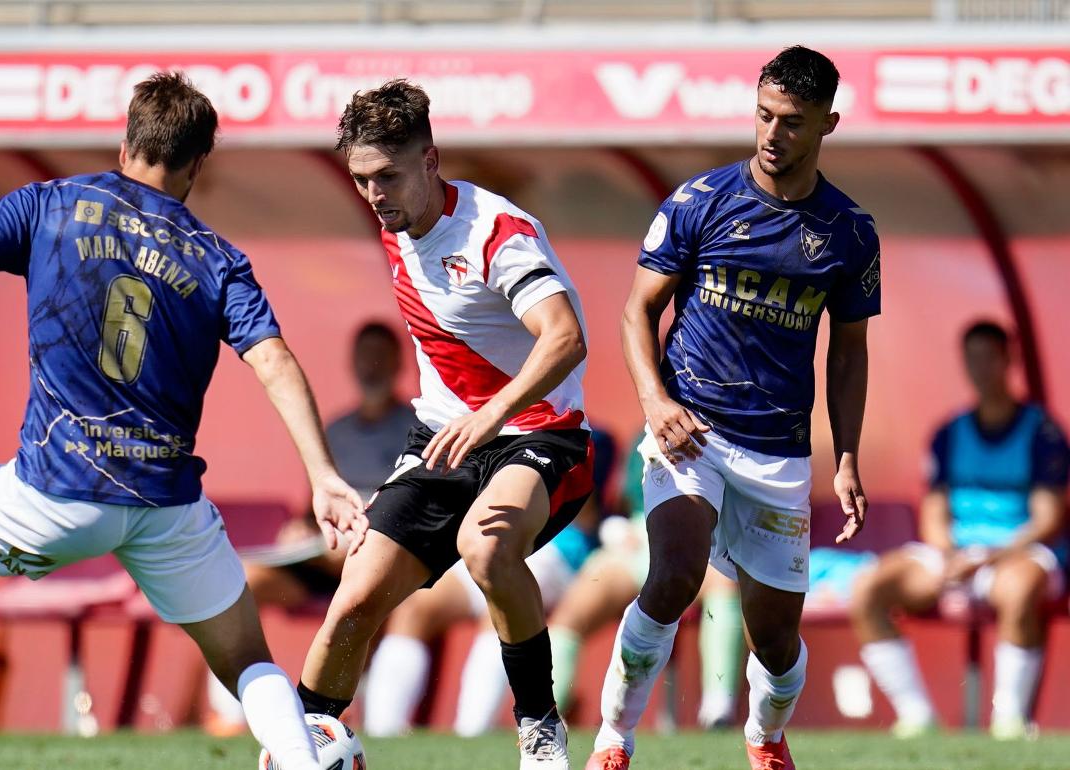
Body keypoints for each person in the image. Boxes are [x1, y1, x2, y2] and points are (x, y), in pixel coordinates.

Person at [0, 72, 365, 770]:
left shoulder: (50, 203)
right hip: (168, 506)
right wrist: (322, 475)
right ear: (199, 162)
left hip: (57, 492)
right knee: (245, 658)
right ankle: (302, 760)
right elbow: (276, 361)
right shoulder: (218, 258)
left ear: (125, 143)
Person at [585, 46, 880, 770]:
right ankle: (614, 739)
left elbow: (847, 352)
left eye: (792, 122)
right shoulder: (699, 202)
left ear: (828, 124)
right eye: (764, 115)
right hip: (691, 430)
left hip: (778, 450)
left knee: (775, 639)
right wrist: (655, 402)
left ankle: (764, 734)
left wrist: (845, 457)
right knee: (676, 573)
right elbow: (636, 313)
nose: (772, 135)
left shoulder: (849, 233)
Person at [295, 79, 593, 769]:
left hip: (540, 434)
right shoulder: (394, 222)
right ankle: (299, 746)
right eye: (362, 179)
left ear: (430, 161)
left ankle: (540, 727)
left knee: (485, 549)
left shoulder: (498, 233)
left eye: (387, 177)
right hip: (441, 442)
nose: (374, 194)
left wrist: (491, 416)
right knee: (355, 600)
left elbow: (564, 337)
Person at [851, 321, 1068, 740]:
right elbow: (934, 511)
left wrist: (990, 557)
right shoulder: (948, 434)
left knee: (1022, 588)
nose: (980, 368)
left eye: (990, 357)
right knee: (868, 589)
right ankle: (917, 717)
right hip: (954, 554)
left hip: (1016, 555)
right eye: (972, 359)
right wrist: (951, 556)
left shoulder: (1043, 433)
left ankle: (1009, 720)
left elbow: (1047, 519)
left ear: (1009, 360)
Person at [204, 320, 414, 737]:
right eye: (363, 355)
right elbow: (313, 503)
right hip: (321, 556)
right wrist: (299, 528)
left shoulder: (415, 426)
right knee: (241, 581)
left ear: (398, 363)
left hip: (379, 552)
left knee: (356, 551)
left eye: (380, 356)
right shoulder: (334, 429)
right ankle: (229, 715)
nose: (370, 366)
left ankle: (376, 719)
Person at [362, 425, 614, 738]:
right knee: (416, 607)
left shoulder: (590, 436)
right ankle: (383, 733)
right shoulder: (482, 418)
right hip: (485, 540)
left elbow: (587, 510)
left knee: (497, 605)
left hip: (558, 551)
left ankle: (472, 734)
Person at [548, 431, 745, 728]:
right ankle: (546, 715)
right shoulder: (645, 431)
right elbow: (626, 502)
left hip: (706, 541)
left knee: (724, 584)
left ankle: (719, 708)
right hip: (639, 540)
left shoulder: (726, 424)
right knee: (571, 612)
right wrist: (614, 528)